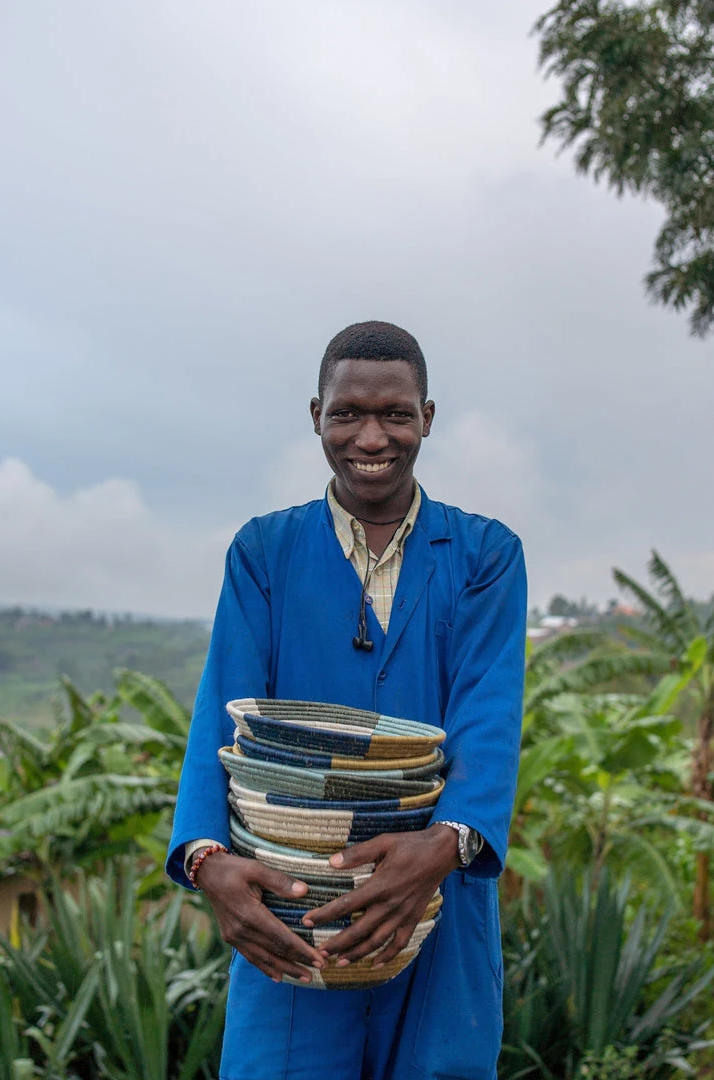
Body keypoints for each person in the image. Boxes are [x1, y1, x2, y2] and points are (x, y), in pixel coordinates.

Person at [166, 321, 527, 1080]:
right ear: (316, 415)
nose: (371, 436)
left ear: (427, 417)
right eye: (347, 413)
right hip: (291, 902)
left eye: (395, 414)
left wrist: (444, 845)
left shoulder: (485, 555)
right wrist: (206, 860)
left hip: (434, 897)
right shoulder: (265, 552)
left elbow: (488, 717)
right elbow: (221, 710)